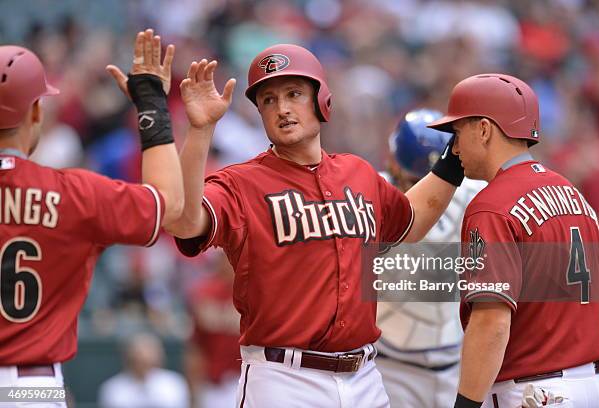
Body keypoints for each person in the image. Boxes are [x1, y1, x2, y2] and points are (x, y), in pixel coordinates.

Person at [167, 43, 464, 407]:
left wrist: (454, 161)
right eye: (269, 100)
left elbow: (411, 222)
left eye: (294, 94)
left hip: (366, 377)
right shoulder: (240, 184)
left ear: (321, 100)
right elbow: (183, 222)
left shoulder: (358, 172)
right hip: (283, 379)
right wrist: (200, 131)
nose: (283, 108)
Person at [0, 29, 183, 405]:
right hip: (27, 388)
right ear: (36, 111)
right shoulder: (75, 193)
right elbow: (171, 205)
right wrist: (151, 103)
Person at [426, 73, 599, 407]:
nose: (453, 148)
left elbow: (491, 322)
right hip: (593, 388)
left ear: (483, 130)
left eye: (457, 133)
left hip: (534, 392)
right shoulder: (573, 193)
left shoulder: (492, 205)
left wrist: (466, 404)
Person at [376, 109, 486, 408]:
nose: (429, 190)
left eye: (442, 177)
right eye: (415, 180)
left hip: (458, 361)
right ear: (392, 164)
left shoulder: (477, 195)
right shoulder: (370, 196)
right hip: (389, 365)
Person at [183, 250, 242, 408]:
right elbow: (195, 347)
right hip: (214, 385)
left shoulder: (253, 290)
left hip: (248, 379)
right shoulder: (204, 291)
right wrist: (193, 391)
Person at [98, 333, 189, 408]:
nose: (142, 360)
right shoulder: (113, 387)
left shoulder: (173, 382)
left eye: (148, 358)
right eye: (137, 357)